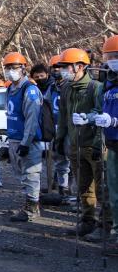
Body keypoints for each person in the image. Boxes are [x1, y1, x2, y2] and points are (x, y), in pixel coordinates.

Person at [54, 48, 107, 238]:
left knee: (102, 188)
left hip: (94, 146)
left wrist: (97, 144)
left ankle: (106, 225)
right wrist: (59, 139)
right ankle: (87, 221)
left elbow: (101, 115)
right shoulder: (66, 88)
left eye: (66, 67)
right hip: (75, 145)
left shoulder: (95, 87)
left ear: (80, 66)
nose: (62, 71)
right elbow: (63, 116)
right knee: (83, 187)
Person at [3, 53, 44, 222]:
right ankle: (28, 204)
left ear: (23, 69)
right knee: (21, 175)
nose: (10, 71)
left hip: (27, 140)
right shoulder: (10, 89)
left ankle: (32, 209)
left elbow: (32, 119)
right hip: (14, 138)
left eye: (14, 68)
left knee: (31, 174)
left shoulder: (30, 90)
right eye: (8, 68)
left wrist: (26, 142)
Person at [96, 36, 118, 252]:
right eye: (109, 57)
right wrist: (90, 117)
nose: (111, 61)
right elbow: (104, 109)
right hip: (112, 144)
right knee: (114, 192)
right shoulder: (109, 85)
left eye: (115, 57)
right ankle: (117, 233)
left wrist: (115, 121)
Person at [45, 54, 72, 196]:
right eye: (53, 68)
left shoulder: (71, 86)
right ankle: (63, 187)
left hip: (71, 129)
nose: (56, 70)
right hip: (55, 129)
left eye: (59, 67)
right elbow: (46, 106)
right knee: (59, 158)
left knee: (71, 160)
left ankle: (72, 189)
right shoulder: (52, 88)